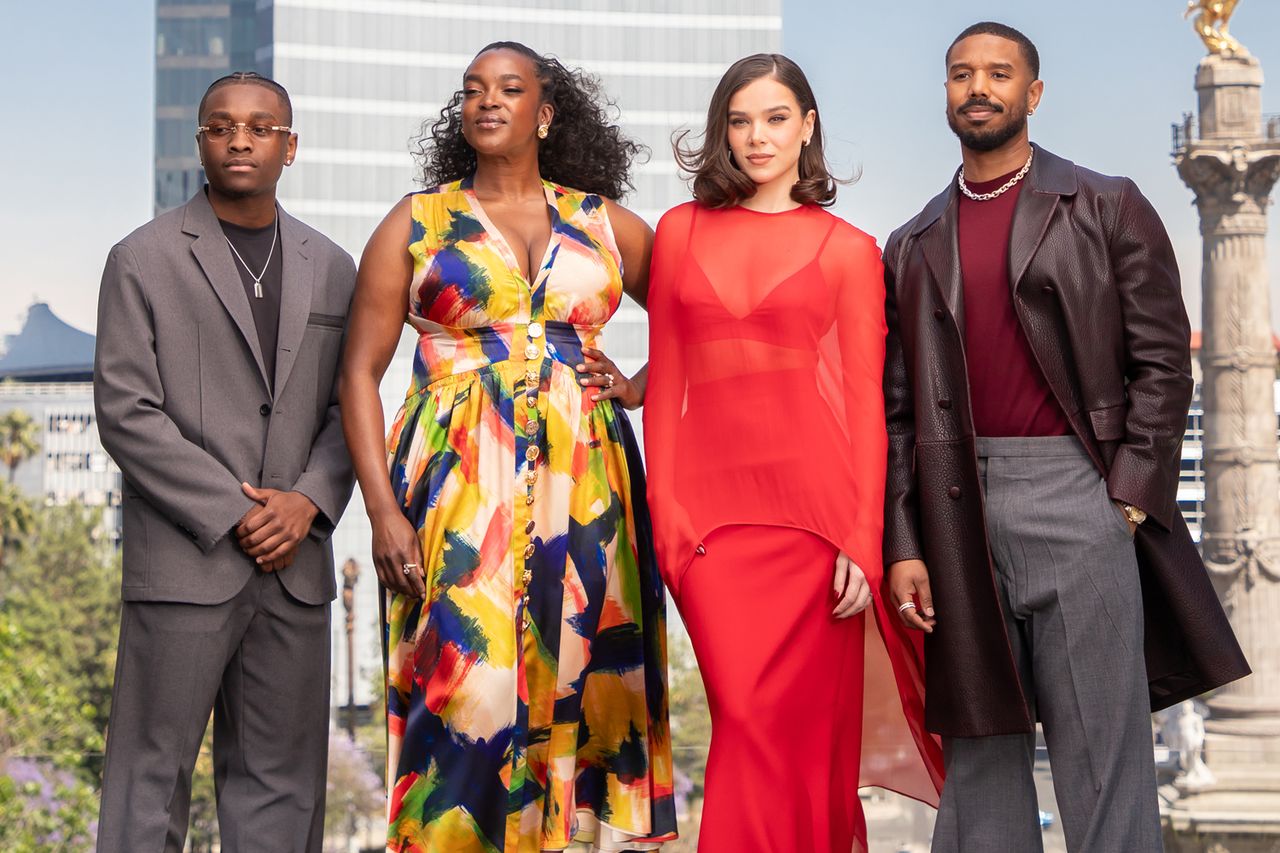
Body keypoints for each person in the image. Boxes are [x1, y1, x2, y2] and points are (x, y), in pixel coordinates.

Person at [881, 22, 1250, 853]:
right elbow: (900, 411)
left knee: (1101, 751)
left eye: (999, 73)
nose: (979, 87)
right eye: (961, 74)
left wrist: (1125, 493)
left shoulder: (1105, 204)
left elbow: (1163, 360)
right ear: (945, 92)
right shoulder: (911, 243)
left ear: (1032, 94)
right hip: (955, 508)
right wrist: (905, 539)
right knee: (978, 753)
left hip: (1078, 494)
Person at [339, 41, 676, 853]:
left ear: (546, 112)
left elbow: (709, 318)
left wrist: (638, 382)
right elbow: (357, 371)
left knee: (576, 683)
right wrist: (382, 512)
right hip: (459, 488)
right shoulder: (416, 220)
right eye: (473, 90)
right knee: (468, 689)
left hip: (585, 482)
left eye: (510, 88)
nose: (488, 101)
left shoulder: (604, 221)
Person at [643, 53, 944, 853]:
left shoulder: (848, 248)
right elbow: (666, 390)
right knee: (742, 720)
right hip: (709, 535)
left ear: (807, 127)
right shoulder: (679, 232)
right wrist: (668, 530)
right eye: (740, 120)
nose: (757, 137)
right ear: (722, 132)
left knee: (808, 747)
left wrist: (862, 541)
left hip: (816, 530)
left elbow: (865, 409)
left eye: (776, 118)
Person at [94, 72, 356, 852]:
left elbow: (354, 404)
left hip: (297, 568)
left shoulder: (335, 266)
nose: (240, 138)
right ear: (201, 140)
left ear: (290, 146)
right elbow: (125, 410)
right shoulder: (140, 258)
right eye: (221, 125)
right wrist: (239, 509)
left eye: (260, 126)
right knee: (149, 778)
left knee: (283, 786)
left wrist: (307, 500)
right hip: (183, 562)